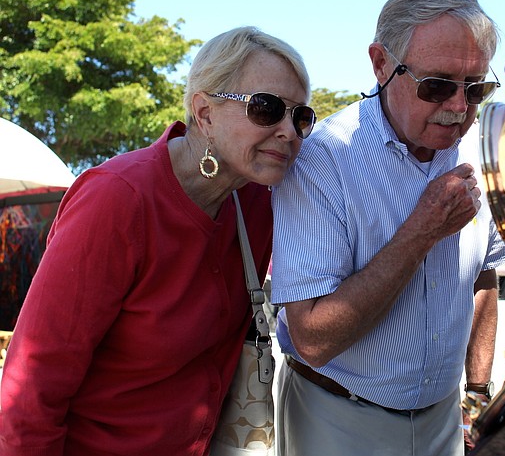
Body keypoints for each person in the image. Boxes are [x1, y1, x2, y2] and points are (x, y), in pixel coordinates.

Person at [0, 26, 314, 455]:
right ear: (203, 113)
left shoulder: (255, 204)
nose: (289, 132)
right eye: (266, 108)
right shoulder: (116, 199)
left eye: (300, 117)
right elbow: (31, 387)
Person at [270, 0, 505, 456]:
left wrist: (478, 394)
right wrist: (422, 232)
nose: (459, 107)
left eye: (476, 88)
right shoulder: (323, 161)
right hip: (336, 416)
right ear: (381, 64)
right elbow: (313, 339)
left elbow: (484, 277)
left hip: (445, 418)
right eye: (438, 86)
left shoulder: (479, 149)